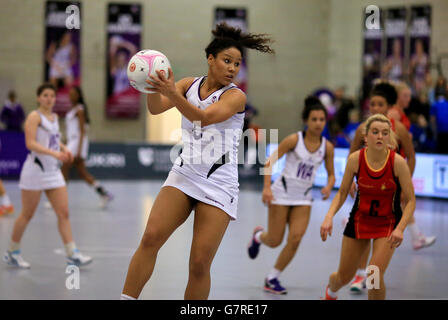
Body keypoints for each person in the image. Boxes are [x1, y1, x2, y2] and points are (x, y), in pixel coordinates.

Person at [120, 23, 274, 300]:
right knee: (150, 237)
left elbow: (202, 117)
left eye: (237, 64)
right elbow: (155, 109)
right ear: (210, 59)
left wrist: (172, 92)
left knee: (200, 264)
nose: (232, 68)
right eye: (227, 61)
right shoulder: (188, 84)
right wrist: (155, 84)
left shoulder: (236, 96)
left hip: (219, 185)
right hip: (185, 174)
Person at [347, 82, 435, 293]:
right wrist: (350, 180)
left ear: (389, 107)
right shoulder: (362, 129)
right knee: (364, 235)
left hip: (390, 193)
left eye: (380, 104)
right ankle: (360, 276)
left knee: (380, 247)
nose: (376, 108)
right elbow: (351, 156)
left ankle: (373, 275)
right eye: (373, 104)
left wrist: (406, 185)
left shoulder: (400, 128)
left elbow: (411, 157)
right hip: (367, 190)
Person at [321, 114, 416, 300]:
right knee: (344, 277)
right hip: (359, 221)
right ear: (366, 137)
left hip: (387, 224)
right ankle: (331, 290)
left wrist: (400, 228)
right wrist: (329, 216)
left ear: (389, 137)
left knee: (374, 274)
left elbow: (411, 201)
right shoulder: (356, 159)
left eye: (384, 133)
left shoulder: (397, 163)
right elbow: (341, 193)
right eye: (375, 132)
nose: (380, 136)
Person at [247, 96, 335, 294]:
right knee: (275, 240)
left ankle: (272, 278)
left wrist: (329, 186)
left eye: (322, 119)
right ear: (306, 121)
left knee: (295, 239)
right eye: (314, 119)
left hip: (303, 199)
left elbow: (331, 175)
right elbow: (269, 161)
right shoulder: (295, 140)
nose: (318, 123)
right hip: (281, 194)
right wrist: (267, 188)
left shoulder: (327, 147)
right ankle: (259, 237)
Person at [3, 83, 92, 269]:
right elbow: (30, 144)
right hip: (35, 170)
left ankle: (72, 253)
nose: (49, 98)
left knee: (64, 213)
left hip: (53, 171)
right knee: (27, 214)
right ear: (38, 98)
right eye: (45, 95)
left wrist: (65, 149)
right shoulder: (34, 117)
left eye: (52, 95)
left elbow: (55, 140)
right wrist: (54, 154)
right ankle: (12, 252)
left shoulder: (54, 117)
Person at [61, 86, 114, 206]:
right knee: (82, 173)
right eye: (70, 93)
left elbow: (82, 130)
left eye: (73, 93)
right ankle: (103, 193)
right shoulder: (72, 110)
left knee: (64, 167)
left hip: (77, 143)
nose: (70, 95)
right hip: (72, 142)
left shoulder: (80, 109)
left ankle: (60, 199)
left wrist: (79, 150)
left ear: (78, 96)